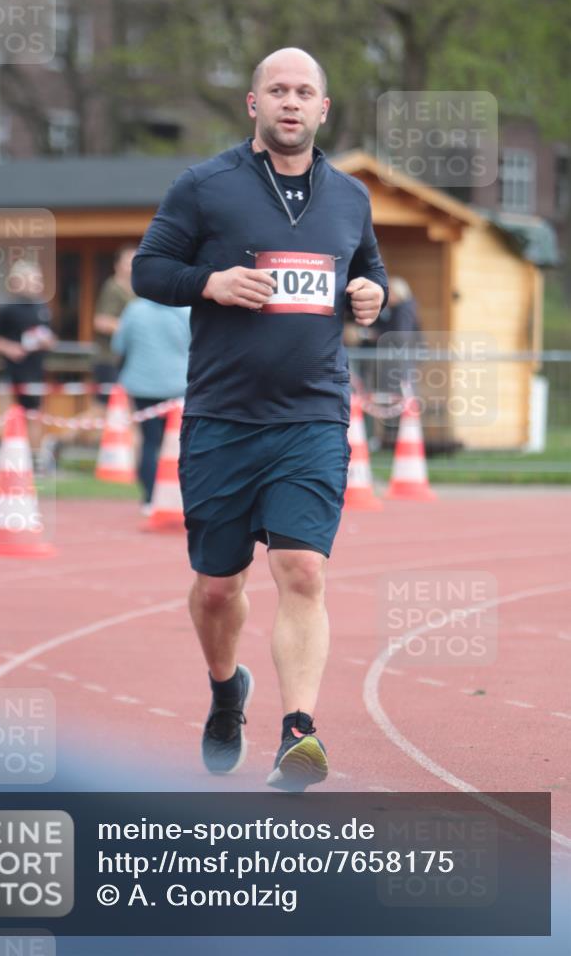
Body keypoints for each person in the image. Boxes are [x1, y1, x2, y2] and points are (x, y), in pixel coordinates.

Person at [132, 48, 388, 792]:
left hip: (310, 415)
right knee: (218, 586)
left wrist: (368, 295)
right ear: (253, 104)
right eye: (276, 90)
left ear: (322, 109)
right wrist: (207, 281)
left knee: (301, 570)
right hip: (222, 417)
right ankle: (224, 690)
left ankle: (298, 732)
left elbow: (362, 274)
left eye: (303, 91)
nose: (289, 102)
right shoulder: (205, 186)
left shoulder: (349, 197)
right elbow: (150, 270)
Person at [111, 298, 190, 510]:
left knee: (149, 442)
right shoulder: (185, 310)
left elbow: (118, 345)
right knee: (179, 444)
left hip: (142, 385)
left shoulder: (134, 309)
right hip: (178, 386)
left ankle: (149, 497)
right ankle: (179, 497)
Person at [0, 260, 56, 450]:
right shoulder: (7, 309)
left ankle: (34, 456)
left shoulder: (42, 308)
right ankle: (9, 453)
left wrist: (46, 342)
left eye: (38, 280)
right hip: (13, 371)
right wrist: (11, 348)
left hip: (36, 369)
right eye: (34, 280)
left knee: (35, 413)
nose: (38, 284)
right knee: (12, 413)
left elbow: (50, 336)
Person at [93, 246, 136, 405]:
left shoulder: (136, 290)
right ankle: (75, 430)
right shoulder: (112, 287)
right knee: (104, 406)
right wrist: (131, 329)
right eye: (128, 262)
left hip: (127, 359)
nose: (132, 266)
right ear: (117, 265)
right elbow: (101, 321)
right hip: (109, 358)